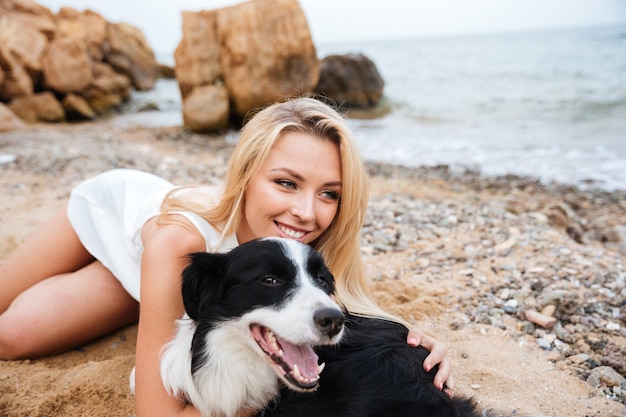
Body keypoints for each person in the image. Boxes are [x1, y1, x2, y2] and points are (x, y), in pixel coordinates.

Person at [0, 97, 453, 416]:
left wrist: (412, 343)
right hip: (111, 215)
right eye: (286, 182)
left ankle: (144, 300)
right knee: (11, 334)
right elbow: (156, 414)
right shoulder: (181, 245)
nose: (306, 211)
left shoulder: (305, 246)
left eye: (329, 193)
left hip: (163, 272)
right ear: (246, 175)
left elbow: (341, 310)